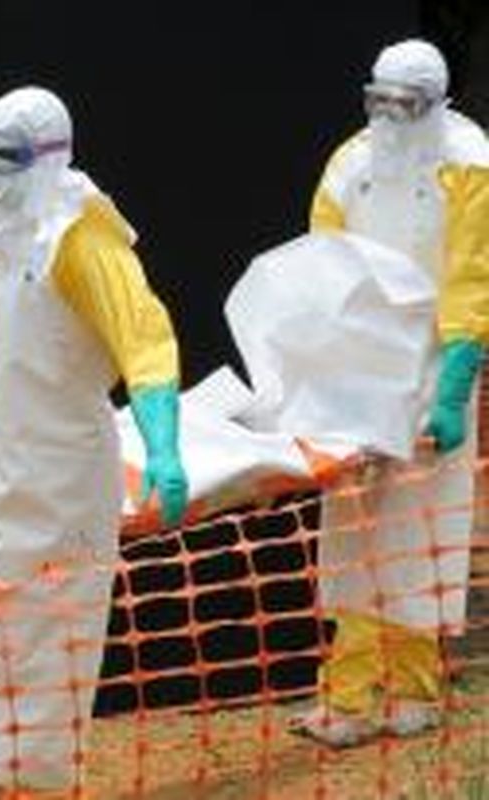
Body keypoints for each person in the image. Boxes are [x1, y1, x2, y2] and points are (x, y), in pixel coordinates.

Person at [0, 86, 188, 798]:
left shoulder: (85, 240)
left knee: (42, 663)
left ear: (48, 156)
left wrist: (165, 449)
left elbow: (146, 345)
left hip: (63, 487)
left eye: (6, 154)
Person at [289, 38, 489, 747]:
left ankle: (415, 688)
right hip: (362, 370)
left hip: (436, 368)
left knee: (419, 531)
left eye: (404, 105)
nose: (389, 117)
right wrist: (324, 368)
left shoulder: (470, 163)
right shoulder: (351, 164)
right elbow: (322, 263)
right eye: (378, 101)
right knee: (352, 534)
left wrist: (457, 379)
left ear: (436, 104)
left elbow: (472, 276)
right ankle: (346, 698)